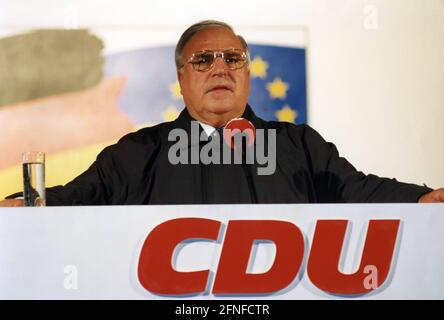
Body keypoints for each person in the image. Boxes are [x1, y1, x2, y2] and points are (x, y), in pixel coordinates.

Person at [1, 20, 443, 206]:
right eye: (203, 60)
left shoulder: (297, 144)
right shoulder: (137, 152)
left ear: (247, 74)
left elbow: (355, 191)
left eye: (233, 59)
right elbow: (76, 200)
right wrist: (25, 205)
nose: (219, 68)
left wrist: (419, 198)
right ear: (181, 78)